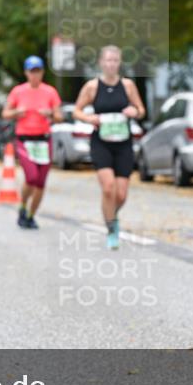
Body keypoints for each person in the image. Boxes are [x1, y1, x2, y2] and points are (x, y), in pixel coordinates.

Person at [73, 46, 146, 250]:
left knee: (121, 194)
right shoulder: (92, 87)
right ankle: (112, 229)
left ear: (119, 63)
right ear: (101, 63)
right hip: (101, 142)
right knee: (108, 188)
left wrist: (135, 111)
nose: (111, 63)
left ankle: (110, 214)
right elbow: (76, 111)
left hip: (124, 143)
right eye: (108, 60)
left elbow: (141, 110)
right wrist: (89, 117)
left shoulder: (128, 85)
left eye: (115, 60)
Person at [3, 55, 62, 229]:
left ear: (42, 72)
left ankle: (30, 215)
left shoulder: (50, 92)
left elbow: (60, 116)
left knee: (41, 182)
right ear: (26, 73)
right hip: (25, 140)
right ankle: (22, 206)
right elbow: (5, 113)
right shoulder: (18, 91)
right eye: (31, 72)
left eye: (37, 71)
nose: (34, 75)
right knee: (31, 177)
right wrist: (16, 113)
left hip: (43, 140)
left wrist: (50, 114)